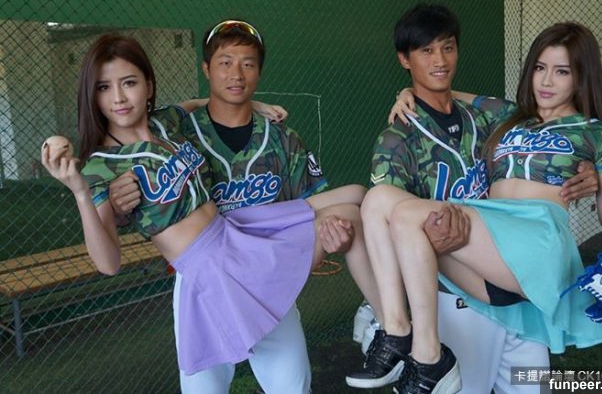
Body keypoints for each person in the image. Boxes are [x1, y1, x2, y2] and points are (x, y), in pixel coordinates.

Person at [40, 33, 378, 394]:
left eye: (129, 83)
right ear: (92, 96)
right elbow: (108, 264)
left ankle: (384, 322)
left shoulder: (164, 123)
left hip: (234, 237)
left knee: (356, 199)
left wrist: (256, 104)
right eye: (104, 87)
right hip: (204, 272)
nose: (119, 98)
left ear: (149, 85)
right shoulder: (102, 165)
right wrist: (80, 192)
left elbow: (197, 103)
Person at [347, 6, 602, 394]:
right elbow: (386, 229)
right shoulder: (396, 141)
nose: (440, 60)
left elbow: (552, 136)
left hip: (518, 297)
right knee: (382, 201)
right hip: (458, 302)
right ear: (404, 59)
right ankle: (406, 339)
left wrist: (591, 176)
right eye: (425, 51)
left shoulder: (493, 119)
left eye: (447, 47)